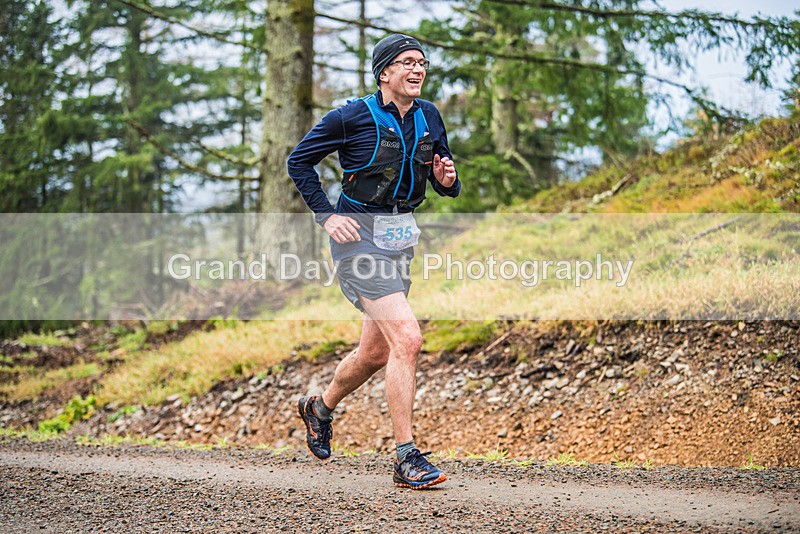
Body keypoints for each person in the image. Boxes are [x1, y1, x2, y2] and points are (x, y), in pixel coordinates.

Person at [287, 33, 460, 489]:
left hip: (400, 240)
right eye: (406, 63)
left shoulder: (428, 116)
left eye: (422, 62)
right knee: (408, 338)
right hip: (357, 240)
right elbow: (298, 162)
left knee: (374, 353)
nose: (417, 69)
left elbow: (443, 176)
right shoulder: (350, 117)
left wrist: (446, 179)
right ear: (384, 73)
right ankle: (407, 456)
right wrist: (326, 217)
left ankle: (319, 408)